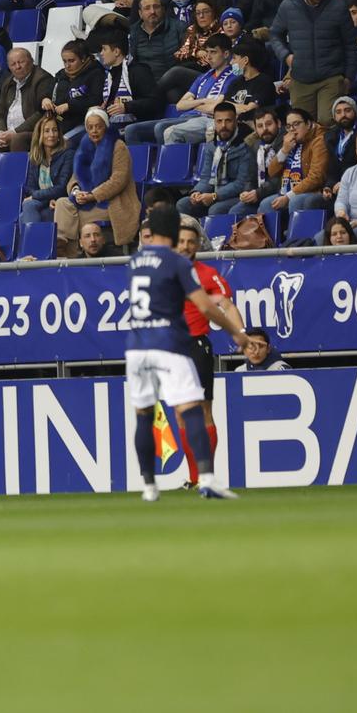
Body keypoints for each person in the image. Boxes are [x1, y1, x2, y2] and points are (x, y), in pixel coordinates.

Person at [124, 206, 249, 502]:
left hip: (137, 347)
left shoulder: (135, 261)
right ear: (172, 233)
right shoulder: (177, 263)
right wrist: (236, 332)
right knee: (191, 410)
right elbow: (206, 307)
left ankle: (149, 486)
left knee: (144, 415)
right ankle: (206, 478)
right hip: (169, 343)